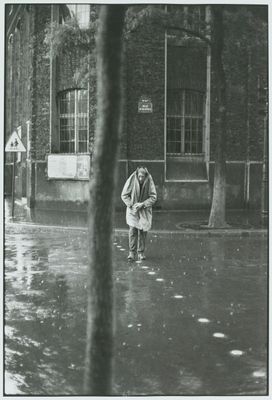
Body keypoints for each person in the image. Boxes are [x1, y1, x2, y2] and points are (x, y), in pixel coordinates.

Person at [121, 166, 157, 261]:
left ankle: (141, 252)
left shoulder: (149, 180)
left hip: (144, 210)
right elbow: (124, 195)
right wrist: (132, 205)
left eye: (143, 177)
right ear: (137, 175)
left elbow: (153, 197)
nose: (141, 179)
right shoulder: (132, 179)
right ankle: (131, 253)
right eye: (139, 176)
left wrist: (143, 204)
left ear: (146, 176)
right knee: (132, 230)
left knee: (142, 231)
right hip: (132, 209)